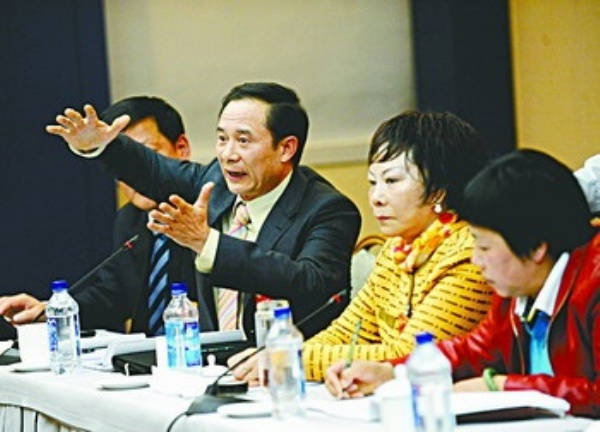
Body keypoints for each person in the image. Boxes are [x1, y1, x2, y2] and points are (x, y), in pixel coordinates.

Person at [42, 82, 361, 343]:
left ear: (286, 148)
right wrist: (102, 145)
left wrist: (206, 243)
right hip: (208, 367)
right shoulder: (216, 182)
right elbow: (154, 170)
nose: (228, 154)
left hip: (289, 368)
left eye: (243, 141)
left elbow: (311, 284)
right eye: (222, 139)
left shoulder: (328, 210)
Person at [325, 149, 599, 418]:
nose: (477, 261)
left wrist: (501, 387)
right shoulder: (516, 288)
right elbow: (474, 352)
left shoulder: (593, 284)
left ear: (537, 246)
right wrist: (391, 372)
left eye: (484, 247)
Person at [228, 110, 495, 383]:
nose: (376, 197)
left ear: (438, 190)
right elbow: (348, 331)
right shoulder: (397, 249)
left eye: (392, 181)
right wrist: (277, 356)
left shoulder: (469, 254)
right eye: (373, 182)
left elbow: (410, 354)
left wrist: (291, 359)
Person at [0, 96, 197, 335]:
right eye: (124, 163)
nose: (135, 174)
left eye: (146, 157)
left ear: (182, 148)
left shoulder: (214, 214)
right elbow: (112, 296)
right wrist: (48, 312)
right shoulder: (130, 220)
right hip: (146, 354)